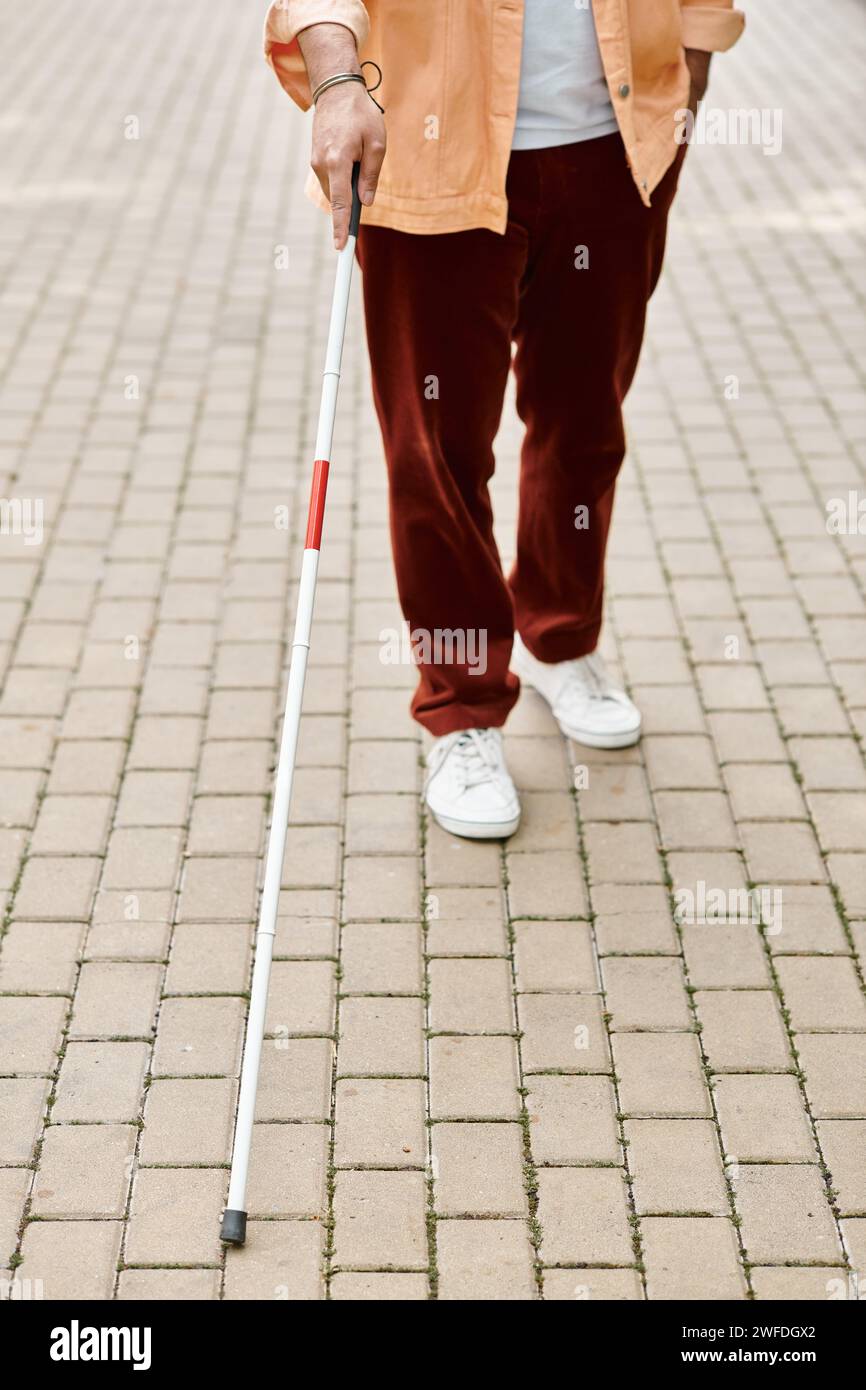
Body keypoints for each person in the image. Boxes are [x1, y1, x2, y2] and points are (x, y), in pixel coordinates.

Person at [263, 0, 745, 839]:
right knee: (437, 453)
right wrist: (337, 80)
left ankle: (561, 637)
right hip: (429, 152)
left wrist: (694, 65)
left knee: (585, 420)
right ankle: (463, 711)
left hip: (615, 150)